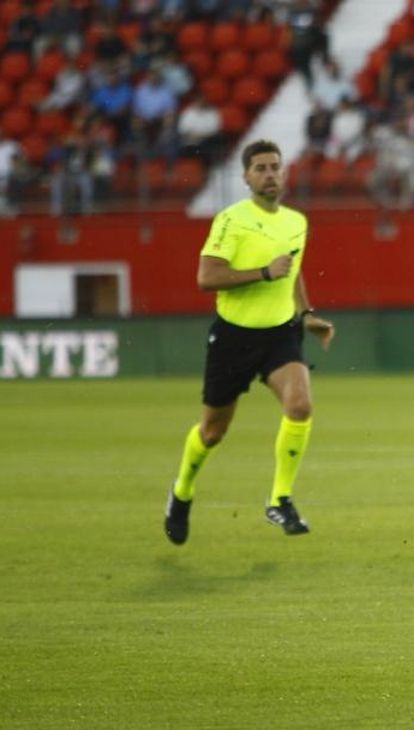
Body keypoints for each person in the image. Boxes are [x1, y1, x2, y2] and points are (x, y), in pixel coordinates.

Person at [163, 140, 335, 546]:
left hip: (280, 333)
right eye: (260, 168)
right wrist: (262, 273)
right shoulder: (230, 220)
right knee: (212, 432)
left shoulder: (296, 222)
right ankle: (182, 491)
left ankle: (280, 499)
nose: (270, 174)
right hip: (234, 337)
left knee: (300, 405)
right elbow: (206, 278)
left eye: (275, 166)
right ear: (246, 177)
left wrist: (308, 315)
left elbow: (292, 272)